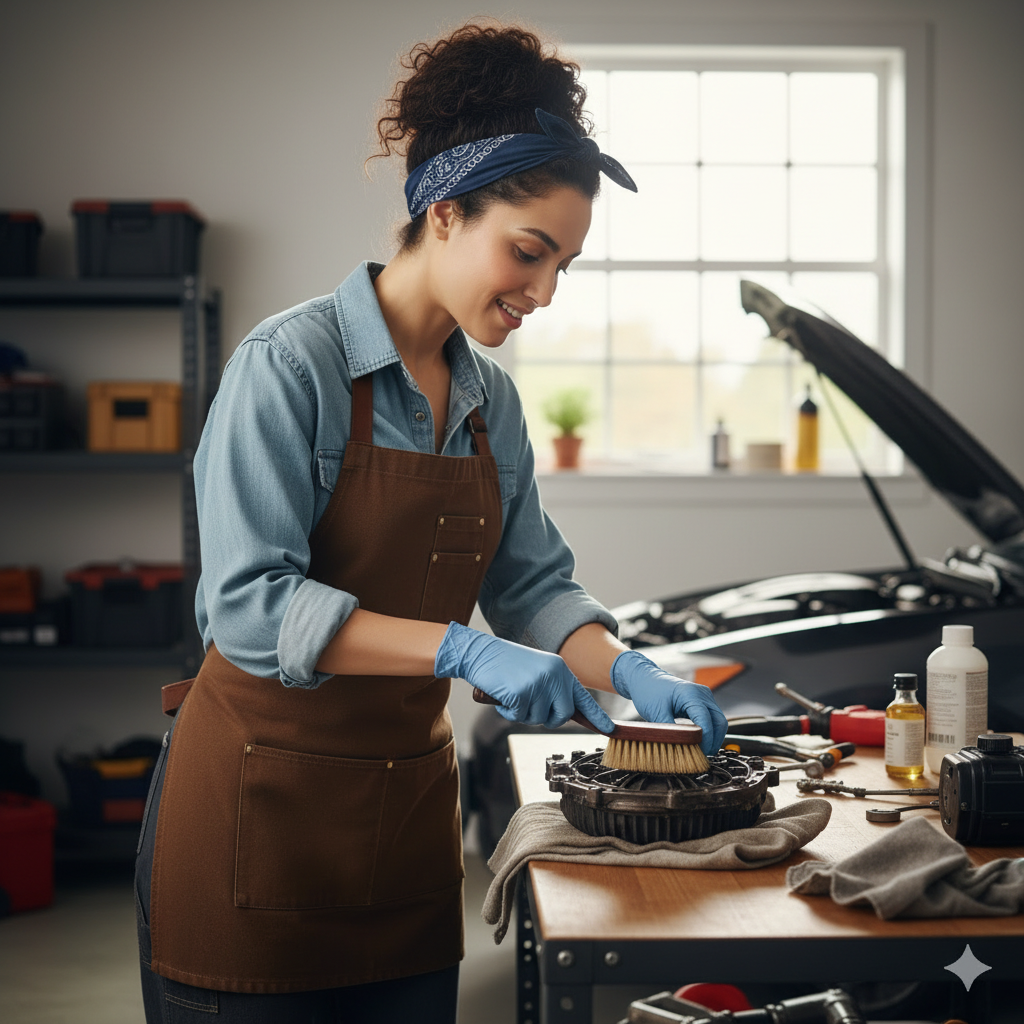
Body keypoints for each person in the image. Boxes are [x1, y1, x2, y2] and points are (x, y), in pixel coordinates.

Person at [134, 21, 728, 1024]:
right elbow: (247, 607)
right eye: (528, 251)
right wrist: (460, 651)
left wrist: (626, 669)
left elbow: (532, 585)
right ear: (445, 212)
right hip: (252, 826)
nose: (541, 291)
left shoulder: (486, 401)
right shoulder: (289, 368)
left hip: (403, 839)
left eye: (563, 266)